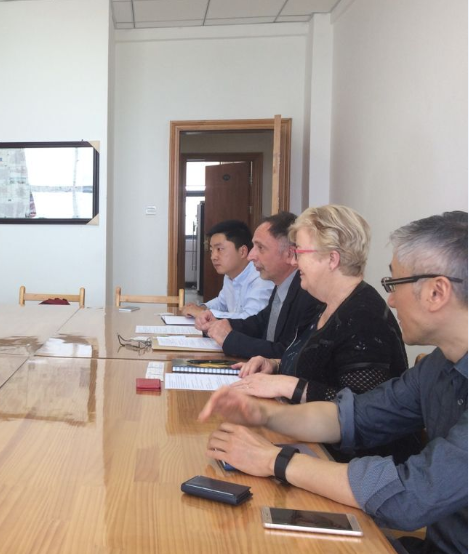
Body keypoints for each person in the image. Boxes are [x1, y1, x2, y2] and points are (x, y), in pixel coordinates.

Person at [199, 211, 467, 554]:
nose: (390, 299)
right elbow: (352, 415)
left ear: (436, 292)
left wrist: (273, 460)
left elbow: (409, 496)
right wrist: (264, 415)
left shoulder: (366, 317)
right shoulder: (438, 366)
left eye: (395, 284)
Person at [231, 205, 408, 405]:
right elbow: (316, 368)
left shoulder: (364, 319)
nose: (294, 262)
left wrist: (288, 385)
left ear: (332, 259)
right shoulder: (326, 303)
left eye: (299, 253)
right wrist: (274, 365)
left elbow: (362, 406)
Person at [196, 212, 322, 359]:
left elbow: (289, 354)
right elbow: (259, 323)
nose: (251, 256)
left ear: (289, 254)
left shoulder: (308, 294)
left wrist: (230, 339)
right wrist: (217, 326)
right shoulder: (281, 285)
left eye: (260, 248)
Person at [182, 220, 273, 319]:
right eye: (212, 250)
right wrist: (202, 307)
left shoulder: (261, 278)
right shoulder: (230, 275)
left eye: (219, 249)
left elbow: (249, 318)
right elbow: (222, 303)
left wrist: (204, 314)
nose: (213, 257)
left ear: (242, 252)